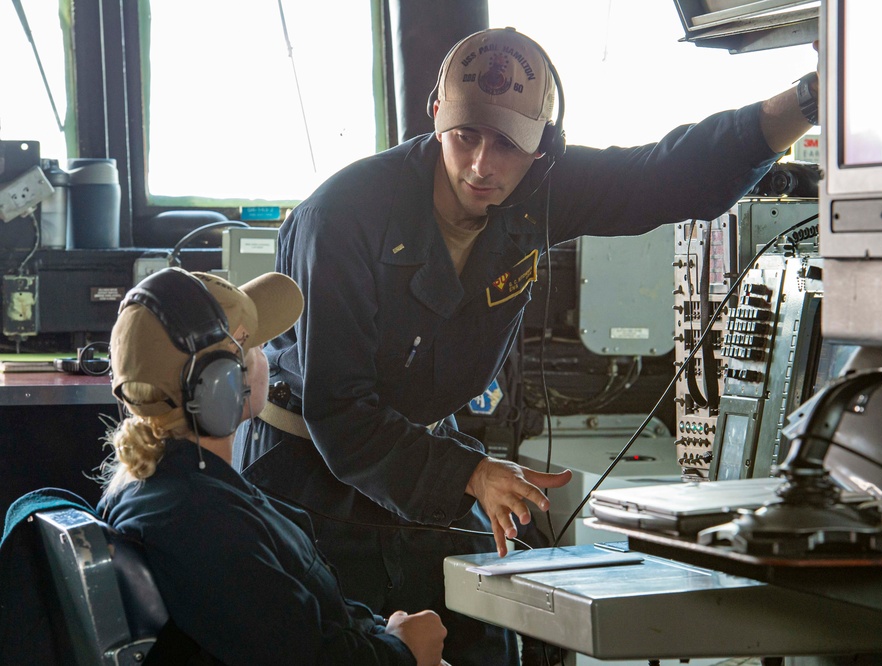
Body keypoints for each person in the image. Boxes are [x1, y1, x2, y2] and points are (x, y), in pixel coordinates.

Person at [233, 26, 819, 665]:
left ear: (543, 148)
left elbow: (667, 174)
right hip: (312, 476)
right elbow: (340, 410)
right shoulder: (341, 216)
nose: (483, 165)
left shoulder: (543, 189)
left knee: (498, 638)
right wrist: (473, 473)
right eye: (465, 136)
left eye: (508, 144)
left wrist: (809, 100)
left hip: (421, 453)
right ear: (436, 115)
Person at [97, 267, 449, 666]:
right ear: (224, 385)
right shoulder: (204, 525)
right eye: (257, 346)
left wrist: (384, 635)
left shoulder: (165, 488)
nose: (267, 357)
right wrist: (403, 651)